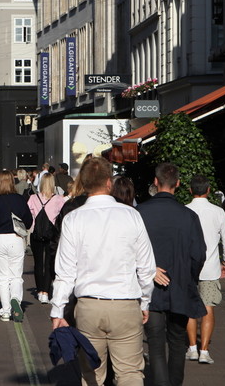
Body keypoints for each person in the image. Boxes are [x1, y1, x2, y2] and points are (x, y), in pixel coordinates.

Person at [50, 157, 155, 386]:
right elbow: (146, 268)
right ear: (109, 182)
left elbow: (65, 272)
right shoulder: (131, 215)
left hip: (89, 306)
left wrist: (58, 309)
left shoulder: (73, 219)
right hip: (125, 303)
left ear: (84, 184)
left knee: (91, 374)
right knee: (130, 373)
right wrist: (145, 302)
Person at [136, 163, 206, 386]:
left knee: (155, 344)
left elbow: (130, 251)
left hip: (150, 287)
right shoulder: (189, 216)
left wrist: (147, 271)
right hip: (180, 286)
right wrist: (188, 278)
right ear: (178, 183)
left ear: (156, 182)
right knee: (177, 342)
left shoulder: (140, 213)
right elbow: (198, 254)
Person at [184, 175, 225, 365]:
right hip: (210, 267)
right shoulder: (218, 212)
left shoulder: (185, 210)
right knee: (208, 307)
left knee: (189, 307)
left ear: (190, 190)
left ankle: (192, 348)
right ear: (208, 190)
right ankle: (204, 350)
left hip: (188, 267)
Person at [0, 170, 32, 322]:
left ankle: (5, 310)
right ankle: (15, 298)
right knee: (16, 275)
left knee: (2, 277)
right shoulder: (19, 199)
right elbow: (29, 221)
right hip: (16, 238)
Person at [27, 174, 66, 305]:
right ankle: (46, 292)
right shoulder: (58, 199)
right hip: (51, 233)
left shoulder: (33, 198)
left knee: (38, 262)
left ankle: (39, 290)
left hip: (36, 232)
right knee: (49, 263)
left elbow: (28, 213)